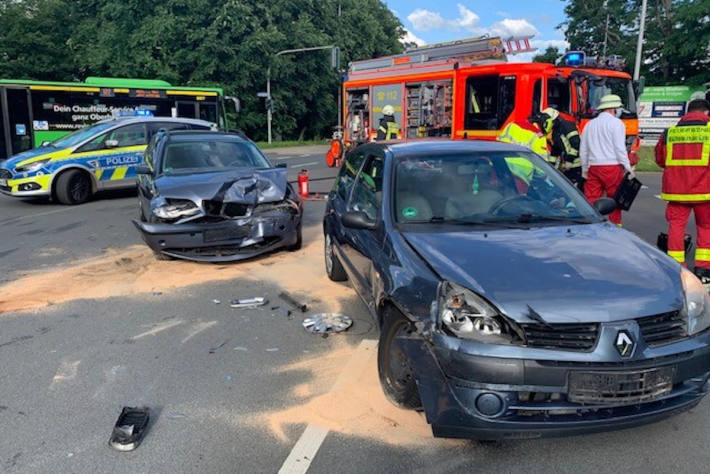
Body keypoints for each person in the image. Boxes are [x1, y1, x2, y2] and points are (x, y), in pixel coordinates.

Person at [654, 99, 710, 280]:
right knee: (706, 227)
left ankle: (677, 267)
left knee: (676, 227)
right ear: (706, 113)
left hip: (676, 190)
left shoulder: (670, 133)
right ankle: (703, 269)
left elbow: (660, 159)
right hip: (704, 190)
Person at [580, 94, 634, 225]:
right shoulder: (617, 124)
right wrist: (628, 167)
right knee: (614, 200)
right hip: (612, 167)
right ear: (613, 108)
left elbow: (584, 149)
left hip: (593, 167)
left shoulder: (589, 125)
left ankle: (591, 226)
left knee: (591, 200)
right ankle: (615, 227)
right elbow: (619, 148)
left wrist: (585, 168)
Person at [534, 108, 583, 189]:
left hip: (577, 166)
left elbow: (576, 143)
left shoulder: (567, 125)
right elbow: (555, 150)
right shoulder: (555, 131)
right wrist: (550, 167)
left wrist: (569, 161)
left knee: (574, 190)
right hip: (567, 167)